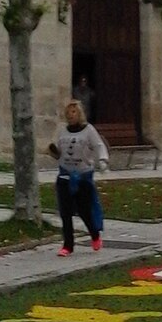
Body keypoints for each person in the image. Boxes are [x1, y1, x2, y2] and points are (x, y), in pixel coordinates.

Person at [48, 98, 109, 256]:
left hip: (82, 176)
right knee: (65, 212)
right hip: (65, 175)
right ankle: (68, 245)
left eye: (73, 112)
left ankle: (95, 235)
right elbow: (58, 150)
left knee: (84, 210)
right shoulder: (62, 131)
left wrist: (102, 160)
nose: (70, 115)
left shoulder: (88, 130)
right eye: (68, 113)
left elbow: (98, 145)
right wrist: (53, 151)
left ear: (79, 113)